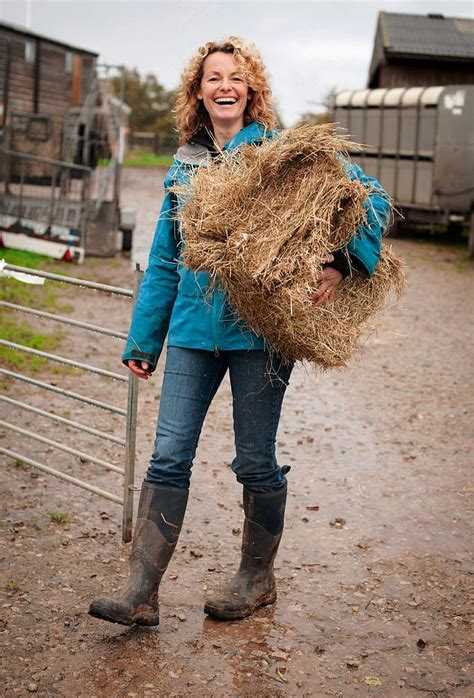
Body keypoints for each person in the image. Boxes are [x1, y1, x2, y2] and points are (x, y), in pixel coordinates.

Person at [89, 37, 390, 626]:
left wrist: (339, 263)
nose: (224, 86)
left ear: (252, 90)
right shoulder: (185, 164)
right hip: (193, 334)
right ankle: (140, 592)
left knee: (254, 459)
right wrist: (144, 340)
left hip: (262, 334)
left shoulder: (282, 154)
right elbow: (166, 260)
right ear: (197, 93)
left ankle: (256, 579)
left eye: (235, 77)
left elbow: (368, 198)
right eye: (212, 78)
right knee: (168, 456)